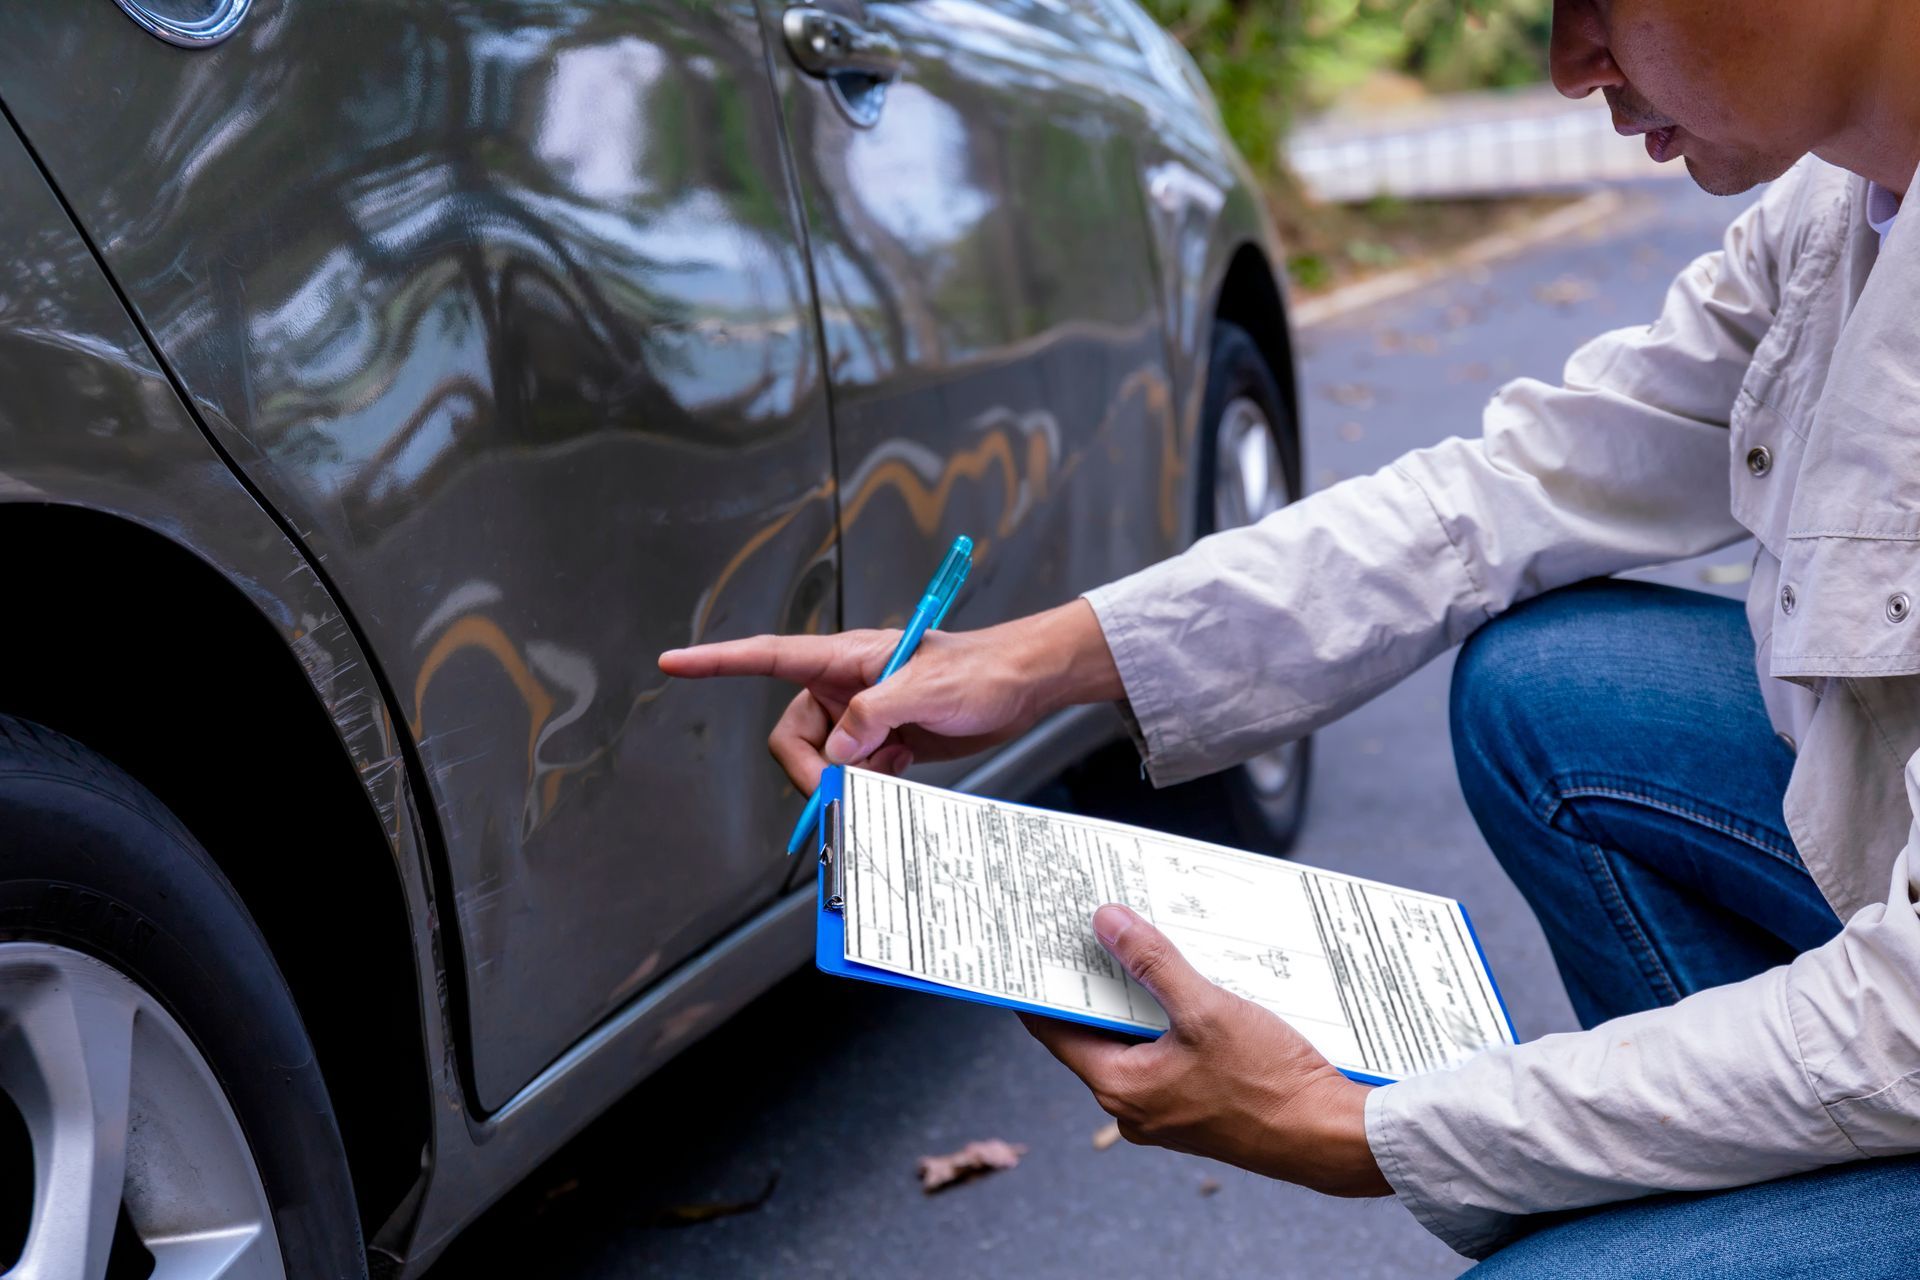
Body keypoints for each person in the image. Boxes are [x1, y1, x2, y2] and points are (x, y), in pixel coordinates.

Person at [659, 0, 1920, 1271]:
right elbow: (1499, 492)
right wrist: (1032, 660)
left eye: (1593, 0)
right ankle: (1739, 1196)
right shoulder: (1836, 214)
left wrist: (1353, 1123)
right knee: (1550, 686)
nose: (1566, 64)